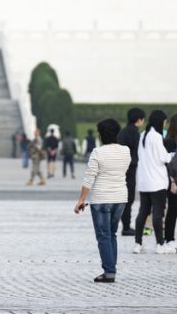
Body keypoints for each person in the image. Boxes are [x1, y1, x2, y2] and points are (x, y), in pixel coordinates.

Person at [74, 119, 130, 283]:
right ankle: (111, 270)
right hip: (120, 198)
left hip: (101, 199)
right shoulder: (126, 151)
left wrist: (81, 200)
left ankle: (109, 271)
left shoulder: (97, 153)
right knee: (111, 234)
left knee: (103, 236)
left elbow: (89, 178)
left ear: (100, 134)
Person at [134, 110, 172, 254]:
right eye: (165, 122)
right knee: (158, 213)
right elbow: (163, 157)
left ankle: (138, 243)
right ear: (161, 121)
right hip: (157, 182)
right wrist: (171, 156)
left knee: (143, 212)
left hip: (144, 181)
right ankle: (160, 244)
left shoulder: (143, 135)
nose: (165, 124)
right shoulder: (156, 136)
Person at [117, 108, 145, 236]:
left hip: (120, 167)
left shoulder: (122, 132)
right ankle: (126, 227)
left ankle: (125, 225)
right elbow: (138, 151)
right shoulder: (135, 133)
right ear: (138, 119)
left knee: (124, 198)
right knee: (129, 198)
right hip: (131, 168)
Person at [164, 113, 177, 252]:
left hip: (176, 181)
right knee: (172, 212)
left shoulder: (175, 141)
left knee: (174, 211)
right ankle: (169, 239)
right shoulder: (171, 141)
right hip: (174, 182)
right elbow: (173, 164)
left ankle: (170, 239)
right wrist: (173, 181)